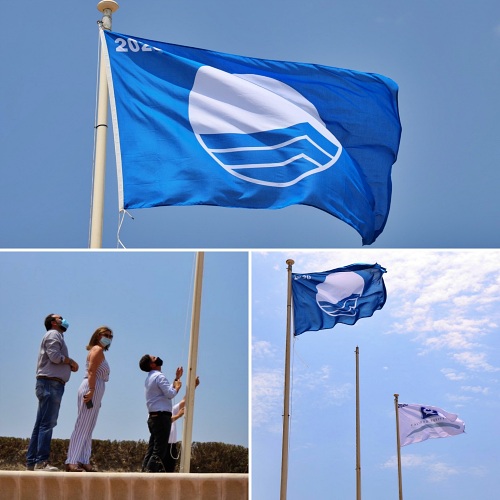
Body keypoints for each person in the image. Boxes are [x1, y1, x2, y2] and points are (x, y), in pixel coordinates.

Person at [26, 314, 79, 471]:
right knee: (47, 424)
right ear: (53, 323)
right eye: (60, 318)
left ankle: (32, 461)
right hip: (51, 383)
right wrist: (70, 362)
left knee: (41, 424)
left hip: (48, 383)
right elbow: (55, 357)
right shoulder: (53, 334)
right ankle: (41, 462)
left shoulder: (57, 336)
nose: (63, 320)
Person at [65, 326, 113, 472]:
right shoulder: (97, 350)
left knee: (89, 426)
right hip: (91, 387)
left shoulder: (99, 351)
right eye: (106, 335)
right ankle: (72, 460)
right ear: (98, 336)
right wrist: (92, 391)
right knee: (82, 425)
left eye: (110, 336)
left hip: (96, 389)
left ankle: (83, 459)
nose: (109, 338)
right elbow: (92, 371)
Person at [139, 354, 183, 472]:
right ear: (152, 364)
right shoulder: (159, 376)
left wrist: (176, 378)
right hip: (161, 417)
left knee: (152, 448)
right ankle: (149, 475)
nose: (156, 357)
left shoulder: (150, 377)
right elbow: (170, 394)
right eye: (153, 357)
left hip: (153, 417)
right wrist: (177, 387)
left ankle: (143, 473)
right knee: (159, 451)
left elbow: (166, 390)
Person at [164, 376, 200, 473]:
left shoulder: (171, 409)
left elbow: (184, 401)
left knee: (169, 472)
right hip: (162, 446)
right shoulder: (155, 411)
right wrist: (178, 416)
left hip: (172, 446)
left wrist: (193, 387)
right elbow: (163, 422)